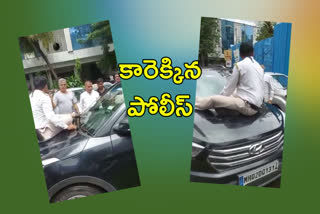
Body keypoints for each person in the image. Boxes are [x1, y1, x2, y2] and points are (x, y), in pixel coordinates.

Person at [195, 42, 265, 116]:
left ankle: (195, 103)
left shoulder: (239, 65)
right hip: (257, 106)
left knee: (214, 99)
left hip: (248, 107)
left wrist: (220, 97)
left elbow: (229, 88)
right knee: (233, 93)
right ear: (253, 53)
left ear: (240, 54)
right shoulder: (259, 66)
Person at [29, 76, 76, 141]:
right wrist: (66, 127)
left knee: (70, 116)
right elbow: (51, 116)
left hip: (38, 127)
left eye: (64, 84)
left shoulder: (31, 96)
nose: (63, 86)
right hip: (44, 130)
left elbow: (75, 104)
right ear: (45, 86)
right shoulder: (46, 97)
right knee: (70, 118)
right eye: (61, 85)